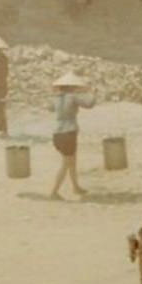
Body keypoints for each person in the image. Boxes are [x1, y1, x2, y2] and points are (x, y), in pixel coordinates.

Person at [50, 71, 96, 200]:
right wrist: (91, 91)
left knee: (71, 161)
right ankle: (54, 191)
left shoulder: (55, 97)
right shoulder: (73, 96)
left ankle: (75, 187)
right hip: (69, 132)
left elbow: (49, 108)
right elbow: (89, 104)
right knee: (66, 163)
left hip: (57, 133)